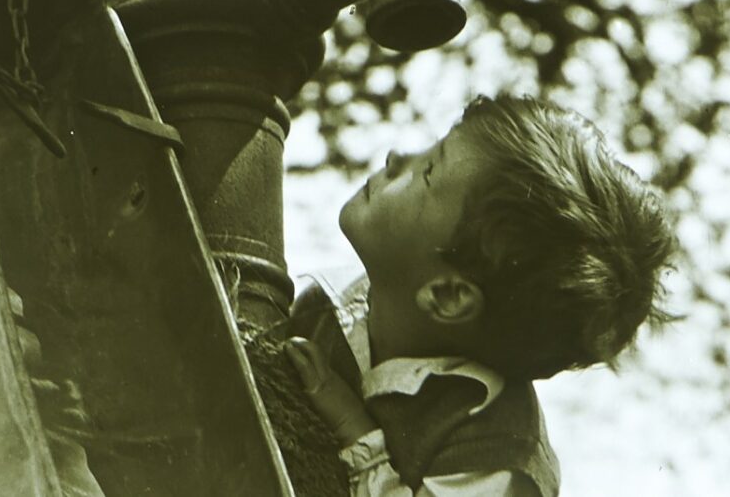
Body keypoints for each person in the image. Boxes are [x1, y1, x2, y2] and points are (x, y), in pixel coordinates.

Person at [284, 95, 676, 496]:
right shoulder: (328, 304)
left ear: (448, 296)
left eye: (429, 172)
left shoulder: (497, 450)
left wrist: (356, 432)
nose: (397, 156)